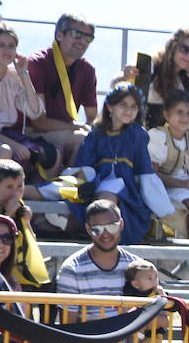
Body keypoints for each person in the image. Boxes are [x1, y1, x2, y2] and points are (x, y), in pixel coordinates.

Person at [55, 200, 140, 343]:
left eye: (110, 226)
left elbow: (154, 313)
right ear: (87, 229)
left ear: (121, 225)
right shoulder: (72, 268)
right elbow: (68, 326)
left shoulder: (137, 266)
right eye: (97, 229)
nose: (105, 234)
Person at [70, 83, 173, 244]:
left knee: (107, 198)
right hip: (95, 183)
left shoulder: (137, 134)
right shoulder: (96, 133)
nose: (128, 110)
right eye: (123, 105)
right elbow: (84, 164)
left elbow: (144, 171)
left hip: (126, 188)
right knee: (52, 193)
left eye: (134, 107)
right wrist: (86, 184)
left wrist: (154, 198)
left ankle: (103, 239)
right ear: (110, 107)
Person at [147, 90, 189, 279]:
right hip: (157, 187)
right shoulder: (158, 136)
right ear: (167, 115)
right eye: (179, 112)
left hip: (181, 186)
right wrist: (182, 183)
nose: (184, 117)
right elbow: (150, 175)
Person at [25, 13, 98, 166]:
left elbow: (92, 117)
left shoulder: (87, 69)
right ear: (59, 34)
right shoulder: (38, 62)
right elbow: (38, 122)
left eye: (88, 38)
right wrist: (77, 127)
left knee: (100, 140)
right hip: (34, 131)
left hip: (65, 129)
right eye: (76, 34)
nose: (82, 41)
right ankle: (69, 183)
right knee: (83, 139)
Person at [121, 27, 189, 132]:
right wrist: (124, 76)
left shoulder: (188, 80)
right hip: (139, 134)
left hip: (166, 139)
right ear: (173, 47)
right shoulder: (151, 68)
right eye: (184, 49)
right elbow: (121, 90)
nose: (188, 56)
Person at [0, 19, 48, 177]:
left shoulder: (13, 78)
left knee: (48, 153)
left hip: (6, 134)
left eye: (11, 46)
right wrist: (14, 145)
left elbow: (34, 111)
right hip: (5, 141)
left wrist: (23, 74)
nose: (7, 50)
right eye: (1, 45)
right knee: (6, 152)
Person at [0, 159, 51, 290]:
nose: (16, 192)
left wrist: (27, 222)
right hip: (5, 272)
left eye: (20, 186)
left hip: (24, 272)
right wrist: (8, 215)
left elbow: (31, 240)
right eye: (9, 187)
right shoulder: (8, 210)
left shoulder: (21, 208)